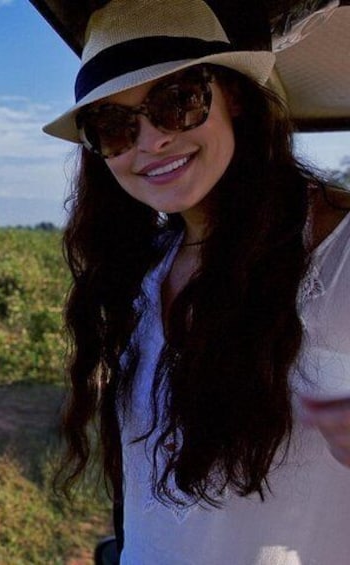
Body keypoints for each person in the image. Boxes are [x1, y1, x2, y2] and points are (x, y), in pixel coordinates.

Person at [43, 0, 350, 563]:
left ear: (234, 95)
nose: (149, 141)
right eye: (113, 125)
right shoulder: (144, 271)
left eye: (177, 102)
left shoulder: (338, 254)